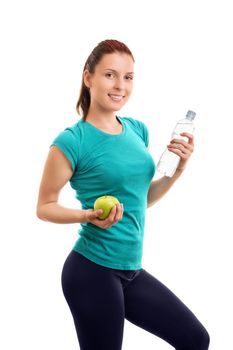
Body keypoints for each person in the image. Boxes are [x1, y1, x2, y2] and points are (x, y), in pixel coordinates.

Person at [36, 39, 210, 350]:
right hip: (91, 270)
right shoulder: (71, 142)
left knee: (195, 339)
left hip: (130, 270)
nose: (121, 86)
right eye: (110, 75)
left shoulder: (137, 129)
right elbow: (45, 206)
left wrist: (179, 169)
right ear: (88, 77)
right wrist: (87, 216)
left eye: (128, 77)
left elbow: (139, 201)